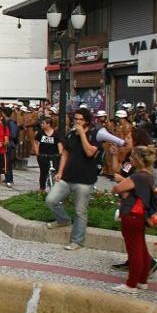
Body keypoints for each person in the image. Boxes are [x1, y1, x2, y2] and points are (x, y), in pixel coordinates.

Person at [45, 107, 98, 251]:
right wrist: (60, 172)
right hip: (67, 177)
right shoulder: (70, 135)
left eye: (80, 119)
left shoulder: (94, 135)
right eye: (75, 119)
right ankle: (63, 220)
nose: (77, 122)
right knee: (51, 200)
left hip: (84, 180)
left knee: (80, 211)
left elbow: (89, 152)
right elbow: (65, 154)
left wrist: (82, 134)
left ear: (87, 121)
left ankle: (77, 241)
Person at [111, 146, 157, 293]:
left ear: (137, 159)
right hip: (141, 215)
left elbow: (117, 189)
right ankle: (142, 280)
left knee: (134, 250)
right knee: (141, 248)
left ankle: (131, 284)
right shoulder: (149, 175)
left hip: (131, 214)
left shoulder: (137, 176)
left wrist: (120, 181)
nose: (130, 159)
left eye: (132, 157)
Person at [33, 117, 60, 192]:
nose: (41, 125)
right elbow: (35, 142)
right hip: (43, 155)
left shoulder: (56, 133)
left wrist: (60, 154)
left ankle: (55, 187)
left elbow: (59, 143)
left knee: (55, 171)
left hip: (53, 155)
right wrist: (37, 153)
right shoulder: (40, 133)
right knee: (43, 172)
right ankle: (42, 188)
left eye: (43, 123)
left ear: (48, 124)